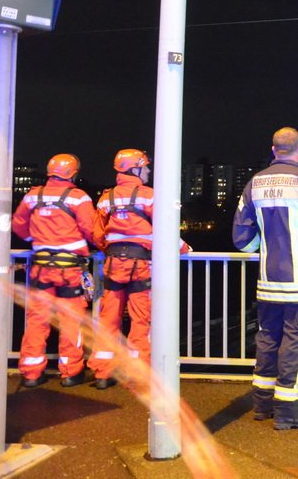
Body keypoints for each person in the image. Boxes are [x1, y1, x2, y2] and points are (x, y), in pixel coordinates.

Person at [232, 127, 298, 430]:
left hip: (269, 282)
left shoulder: (254, 183)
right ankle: (289, 411)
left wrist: (266, 251)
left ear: (273, 149)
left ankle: (262, 403)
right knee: (297, 343)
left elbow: (241, 238)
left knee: (268, 338)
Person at [87, 148, 189, 390]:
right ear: (135, 169)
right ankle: (137, 374)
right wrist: (183, 248)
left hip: (113, 264)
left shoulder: (106, 198)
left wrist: (110, 249)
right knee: (140, 320)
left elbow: (97, 233)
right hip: (141, 265)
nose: (149, 171)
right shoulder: (150, 196)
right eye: (145, 167)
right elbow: (165, 228)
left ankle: (102, 372)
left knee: (108, 319)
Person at [11, 154, 98, 387]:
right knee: (70, 320)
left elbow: (18, 224)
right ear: (74, 173)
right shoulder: (79, 198)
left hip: (40, 269)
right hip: (69, 269)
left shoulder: (33, 195)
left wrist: (35, 239)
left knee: (37, 319)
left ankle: (31, 373)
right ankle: (71, 372)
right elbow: (90, 230)